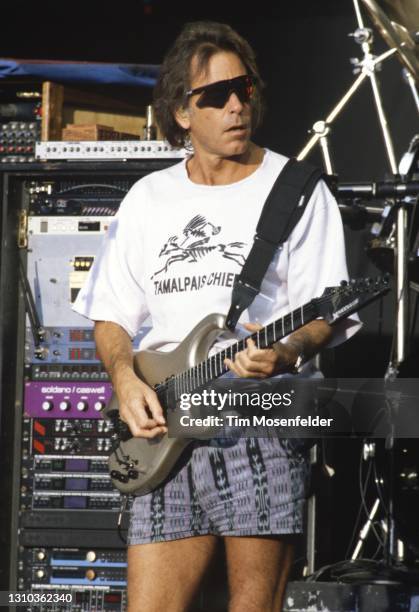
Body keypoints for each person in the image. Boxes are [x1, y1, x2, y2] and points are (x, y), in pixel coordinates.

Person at [73, 21, 360, 612]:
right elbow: (110, 316)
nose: (236, 105)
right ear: (182, 112)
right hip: (167, 425)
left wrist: (286, 351)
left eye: (245, 90)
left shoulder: (297, 189)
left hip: (260, 416)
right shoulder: (148, 198)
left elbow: (323, 313)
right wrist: (126, 381)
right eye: (216, 96)